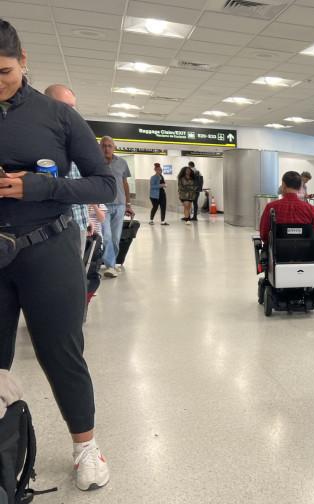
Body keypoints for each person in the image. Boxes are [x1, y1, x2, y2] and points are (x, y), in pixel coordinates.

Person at [0, 18, 115, 490]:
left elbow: (104, 183)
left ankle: (86, 448)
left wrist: (39, 186)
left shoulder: (59, 117)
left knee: (62, 353)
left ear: (24, 61)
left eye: (3, 71)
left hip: (48, 248)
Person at [43, 85, 91, 250]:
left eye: (72, 107)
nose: (70, 113)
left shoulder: (75, 140)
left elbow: (84, 181)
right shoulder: (38, 141)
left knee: (78, 272)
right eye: (65, 107)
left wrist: (87, 218)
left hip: (79, 221)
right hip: (53, 227)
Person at [98, 136, 132, 277]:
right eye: (104, 145)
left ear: (114, 147)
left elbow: (124, 184)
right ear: (100, 147)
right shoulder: (96, 163)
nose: (106, 148)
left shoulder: (122, 163)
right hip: (102, 205)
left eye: (109, 145)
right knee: (106, 236)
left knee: (115, 238)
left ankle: (111, 263)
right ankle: (110, 265)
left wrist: (128, 204)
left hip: (119, 204)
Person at [259, 171, 314, 250]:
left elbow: (264, 234)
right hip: (305, 253)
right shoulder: (311, 209)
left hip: (277, 253)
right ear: (299, 187)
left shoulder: (271, 207)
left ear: (283, 185)